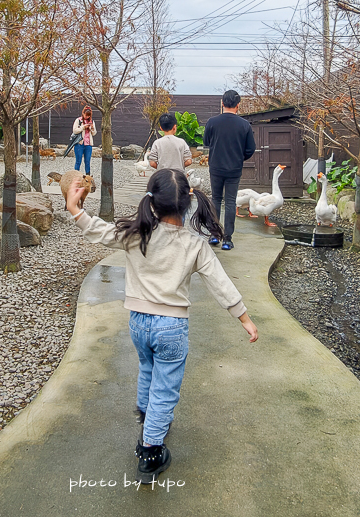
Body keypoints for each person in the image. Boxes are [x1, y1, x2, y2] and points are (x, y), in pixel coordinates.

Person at [64, 168, 258, 484]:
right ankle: (151, 452)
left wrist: (75, 209)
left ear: (152, 202)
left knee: (147, 368)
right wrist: (244, 318)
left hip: (138, 323)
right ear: (188, 203)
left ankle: (147, 415)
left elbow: (98, 231)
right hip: (172, 327)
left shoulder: (136, 233)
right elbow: (220, 284)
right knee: (165, 387)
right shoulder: (195, 245)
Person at [202, 89, 256, 251]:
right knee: (231, 202)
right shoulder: (244, 125)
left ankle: (214, 235)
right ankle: (227, 239)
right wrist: (239, 158)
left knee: (216, 199)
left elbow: (206, 142)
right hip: (234, 167)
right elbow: (250, 149)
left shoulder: (212, 122)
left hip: (216, 166)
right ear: (238, 105)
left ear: (222, 103)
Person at [72, 107, 96, 175]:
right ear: (83, 113)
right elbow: (75, 131)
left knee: (87, 161)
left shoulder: (91, 121)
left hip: (88, 144)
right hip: (79, 144)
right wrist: (83, 127)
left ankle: (88, 176)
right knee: (78, 161)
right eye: (86, 115)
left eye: (89, 115)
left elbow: (94, 133)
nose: (87, 117)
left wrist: (92, 128)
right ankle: (76, 176)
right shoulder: (78, 120)